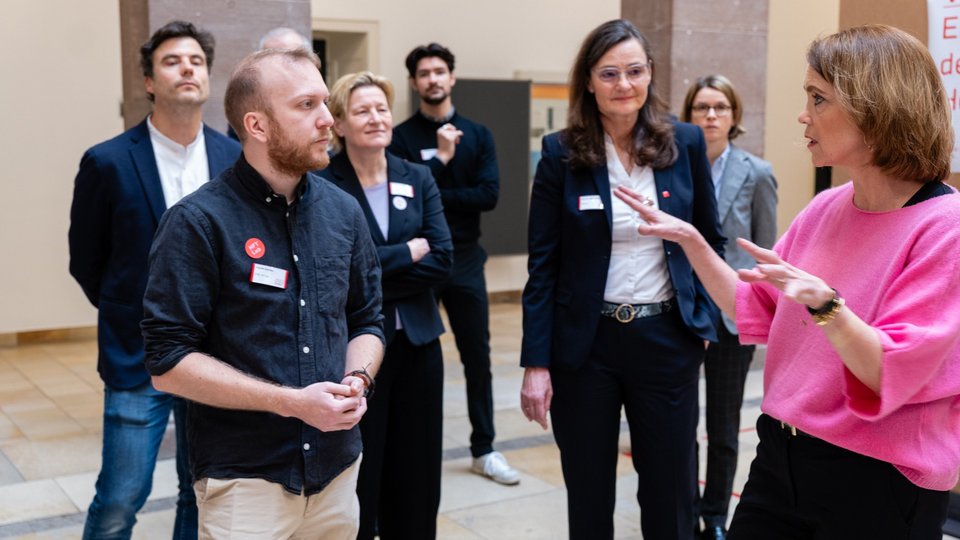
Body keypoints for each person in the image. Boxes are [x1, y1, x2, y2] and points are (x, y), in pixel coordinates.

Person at [615, 24, 960, 539]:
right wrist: (690, 242)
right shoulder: (825, 207)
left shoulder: (944, 226)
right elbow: (752, 308)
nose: (804, 114)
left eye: (818, 98)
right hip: (781, 455)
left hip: (875, 476)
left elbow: (887, 370)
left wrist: (827, 306)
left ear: (876, 107)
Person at [141, 48, 385, 539]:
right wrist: (292, 402)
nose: (327, 120)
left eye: (325, 102)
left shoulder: (343, 213)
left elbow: (368, 319)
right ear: (257, 125)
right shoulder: (198, 222)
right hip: (246, 480)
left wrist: (357, 378)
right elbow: (167, 363)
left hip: (337, 472)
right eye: (305, 106)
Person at [520, 19, 724, 540]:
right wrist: (536, 363)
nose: (624, 85)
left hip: (665, 336)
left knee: (671, 488)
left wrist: (702, 315)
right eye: (609, 73)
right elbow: (543, 267)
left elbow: (709, 239)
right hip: (586, 346)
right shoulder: (560, 154)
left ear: (650, 74)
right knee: (588, 488)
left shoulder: (686, 142)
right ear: (589, 81)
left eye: (635, 71)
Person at [68, 20, 240, 540]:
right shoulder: (107, 162)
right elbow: (87, 261)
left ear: (208, 77)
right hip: (136, 357)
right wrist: (135, 313)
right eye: (172, 61)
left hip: (216, 356)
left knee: (200, 489)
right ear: (148, 81)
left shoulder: (234, 160)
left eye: (196, 61)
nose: (187, 68)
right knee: (121, 496)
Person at [318, 71, 453, 540]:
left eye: (381, 108)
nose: (375, 118)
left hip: (417, 343)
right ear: (338, 124)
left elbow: (442, 259)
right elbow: (332, 271)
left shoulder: (417, 176)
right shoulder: (323, 184)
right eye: (361, 111)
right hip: (351, 353)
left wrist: (373, 271)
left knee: (417, 470)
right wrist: (403, 255)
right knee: (362, 468)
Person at [390, 43, 518, 485]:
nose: (432, 79)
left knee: (476, 357)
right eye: (424, 73)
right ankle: (409, 448)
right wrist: (440, 161)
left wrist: (431, 188)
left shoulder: (478, 134)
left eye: (440, 71)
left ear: (452, 77)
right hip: (418, 264)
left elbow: (489, 196)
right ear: (413, 82)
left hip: (464, 261)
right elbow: (402, 210)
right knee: (412, 357)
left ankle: (484, 447)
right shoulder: (401, 137)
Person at [680, 74, 778, 540]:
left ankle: (714, 515)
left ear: (734, 115)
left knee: (722, 426)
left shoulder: (756, 172)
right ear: (689, 115)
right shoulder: (674, 165)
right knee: (678, 422)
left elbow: (763, 250)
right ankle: (680, 507)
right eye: (701, 108)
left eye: (720, 107)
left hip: (731, 317)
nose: (711, 116)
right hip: (679, 312)